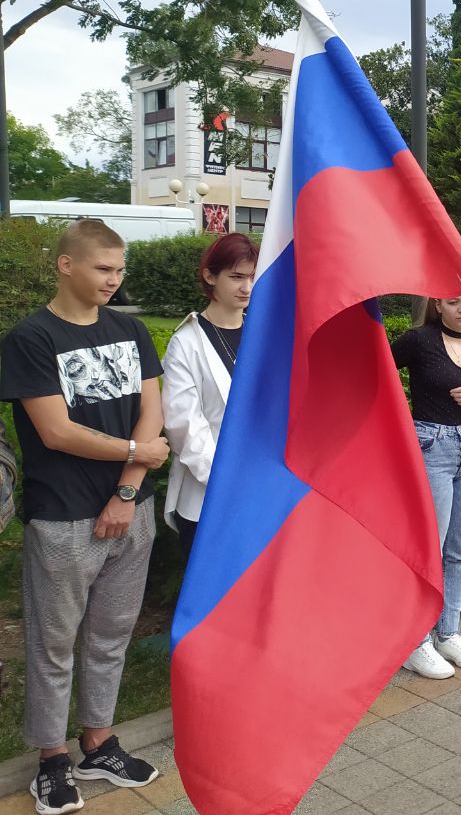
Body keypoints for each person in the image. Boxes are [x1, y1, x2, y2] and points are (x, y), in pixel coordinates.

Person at [1, 220, 169, 813]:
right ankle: (51, 759)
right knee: (53, 645)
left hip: (130, 510)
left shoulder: (129, 329)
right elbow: (54, 430)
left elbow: (153, 405)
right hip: (63, 518)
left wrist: (126, 490)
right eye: (103, 269)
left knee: (110, 637)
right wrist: (135, 454)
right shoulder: (31, 339)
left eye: (119, 269)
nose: (113, 280)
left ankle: (98, 742)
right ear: (66, 265)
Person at [393, 293, 461, 678]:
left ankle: (447, 632)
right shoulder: (420, 340)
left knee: (459, 548)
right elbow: (380, 370)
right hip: (431, 446)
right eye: (454, 303)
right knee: (430, 548)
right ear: (438, 305)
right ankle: (415, 641)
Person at [162, 233, 259, 557]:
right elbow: (183, 424)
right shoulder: (186, 343)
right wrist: (226, 479)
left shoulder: (263, 334)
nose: (246, 287)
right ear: (210, 276)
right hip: (209, 494)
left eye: (251, 276)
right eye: (236, 277)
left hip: (263, 489)